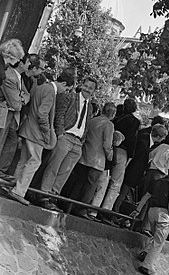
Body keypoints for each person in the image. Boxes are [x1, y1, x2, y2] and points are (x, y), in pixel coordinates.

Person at [4, 73, 65, 205]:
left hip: (28, 129)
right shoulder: (50, 91)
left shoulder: (42, 87)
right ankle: (19, 191)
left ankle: (11, 187)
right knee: (35, 162)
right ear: (64, 84)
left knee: (24, 160)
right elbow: (42, 114)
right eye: (66, 89)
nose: (64, 91)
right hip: (37, 134)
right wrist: (46, 133)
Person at [38, 77, 96, 210]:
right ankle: (43, 195)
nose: (87, 89)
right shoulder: (70, 97)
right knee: (53, 167)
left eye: (90, 88)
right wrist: (60, 133)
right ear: (82, 85)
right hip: (66, 137)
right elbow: (60, 115)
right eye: (86, 86)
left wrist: (82, 141)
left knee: (64, 172)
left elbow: (86, 124)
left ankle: (53, 196)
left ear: (93, 91)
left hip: (77, 143)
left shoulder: (90, 106)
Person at [65, 101, 117, 217]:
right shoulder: (109, 125)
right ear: (113, 114)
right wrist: (110, 156)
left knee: (79, 182)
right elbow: (106, 145)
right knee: (90, 186)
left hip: (84, 156)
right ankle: (82, 209)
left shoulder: (92, 120)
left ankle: (69, 206)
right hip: (97, 161)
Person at [134, 163, 169, 275]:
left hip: (151, 211)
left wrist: (138, 210)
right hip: (164, 213)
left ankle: (145, 252)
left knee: (154, 235)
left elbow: (146, 196)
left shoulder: (158, 182)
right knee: (159, 241)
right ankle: (147, 266)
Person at [112, 122, 168, 214]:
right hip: (131, 173)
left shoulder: (145, 139)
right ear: (158, 137)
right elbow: (136, 161)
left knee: (122, 194)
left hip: (132, 172)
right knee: (122, 194)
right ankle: (114, 212)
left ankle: (115, 211)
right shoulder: (144, 143)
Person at [99, 97, 140, 212]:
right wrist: (131, 155)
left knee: (104, 178)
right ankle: (106, 208)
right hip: (123, 151)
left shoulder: (116, 119)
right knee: (116, 182)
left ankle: (95, 206)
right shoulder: (134, 122)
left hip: (111, 148)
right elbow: (132, 139)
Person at [0, 38, 29, 181]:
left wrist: (20, 98)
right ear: (10, 57)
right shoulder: (5, 73)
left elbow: (25, 95)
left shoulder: (9, 73)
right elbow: (17, 104)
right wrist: (20, 99)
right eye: (16, 59)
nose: (16, 63)